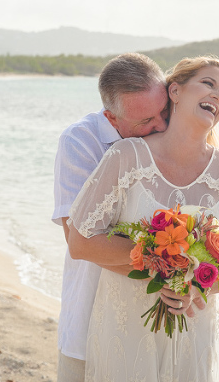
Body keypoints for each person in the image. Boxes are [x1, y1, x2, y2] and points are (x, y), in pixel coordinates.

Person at [67, 56, 219, 382]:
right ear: (175, 90)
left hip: (194, 326)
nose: (218, 96)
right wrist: (160, 264)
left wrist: (197, 287)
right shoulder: (126, 156)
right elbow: (80, 242)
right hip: (125, 324)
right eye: (209, 83)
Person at [53, 53, 171, 382]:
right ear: (112, 117)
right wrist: (169, 263)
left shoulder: (169, 131)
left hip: (156, 322)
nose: (160, 126)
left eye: (162, 112)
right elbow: (81, 242)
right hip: (90, 312)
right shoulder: (80, 141)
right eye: (145, 121)